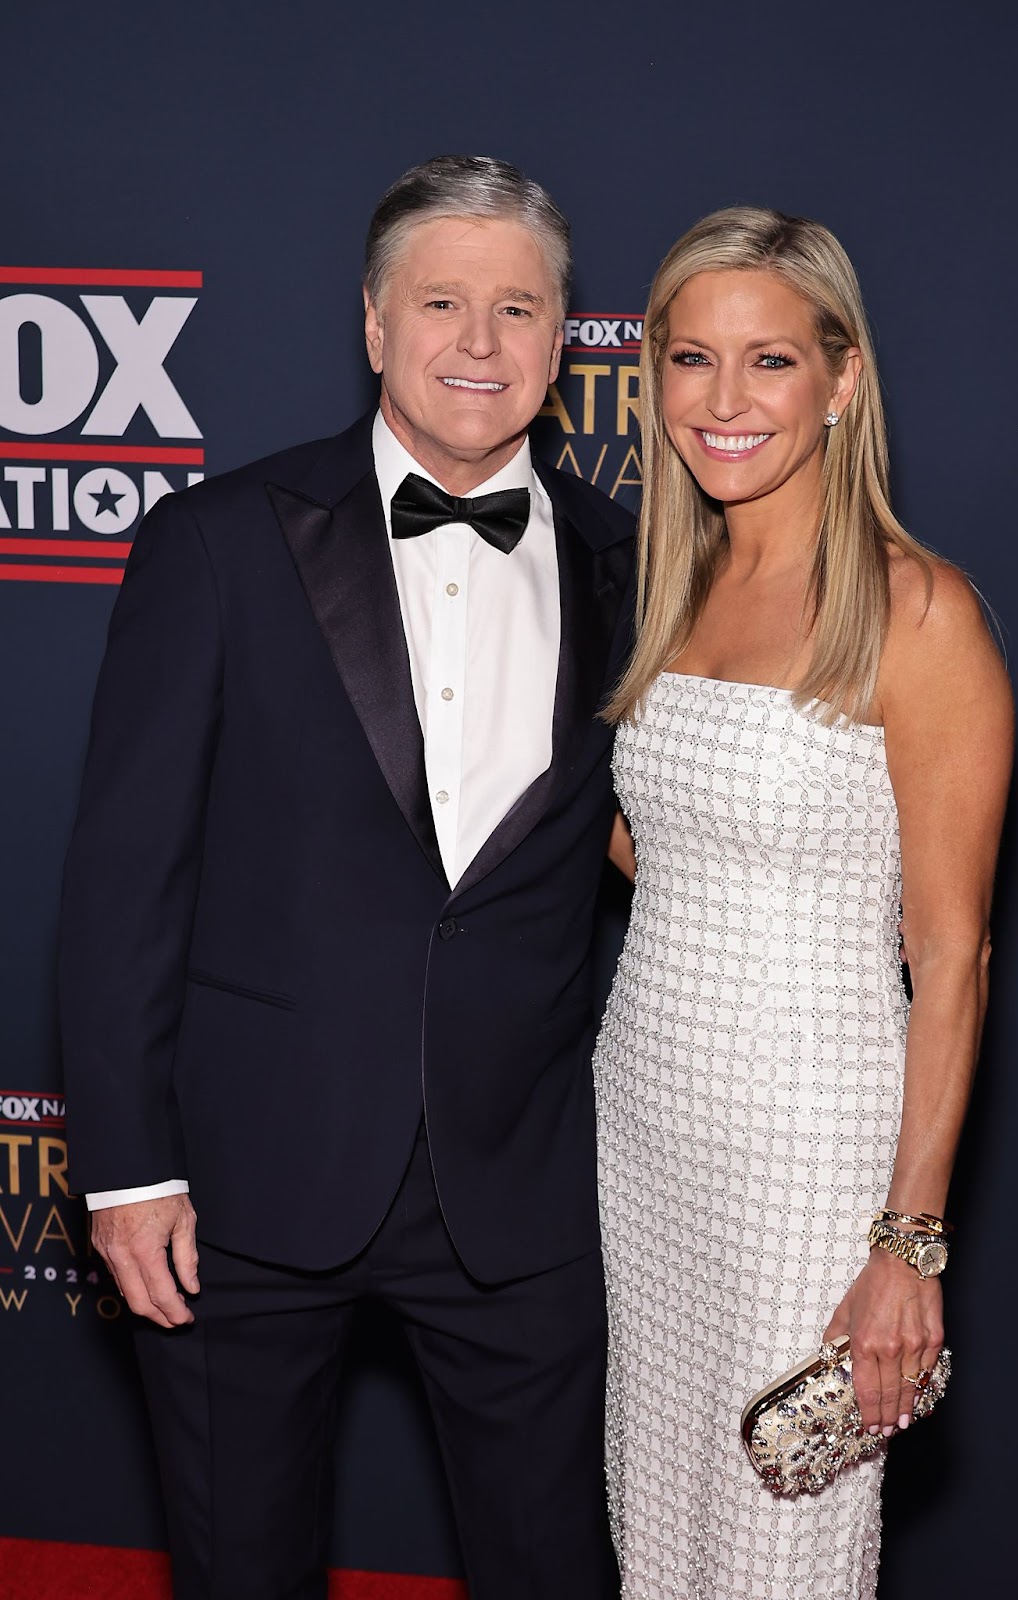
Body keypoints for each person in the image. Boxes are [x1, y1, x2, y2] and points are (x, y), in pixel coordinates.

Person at [59, 155, 634, 1600]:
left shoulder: (638, 564)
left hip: (521, 1183)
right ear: (373, 324)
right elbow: (122, 883)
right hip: (247, 1180)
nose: (479, 344)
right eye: (441, 302)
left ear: (564, 337)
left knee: (554, 1568)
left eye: (518, 309)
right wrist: (127, 1168)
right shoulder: (214, 542)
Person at [593, 206, 1012, 1598]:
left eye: (767, 361)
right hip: (645, 1134)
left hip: (810, 1166)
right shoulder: (676, 584)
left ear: (840, 380)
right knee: (654, 1521)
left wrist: (906, 1246)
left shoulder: (916, 613)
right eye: (690, 359)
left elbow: (950, 956)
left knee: (781, 1546)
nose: (722, 402)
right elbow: (662, 845)